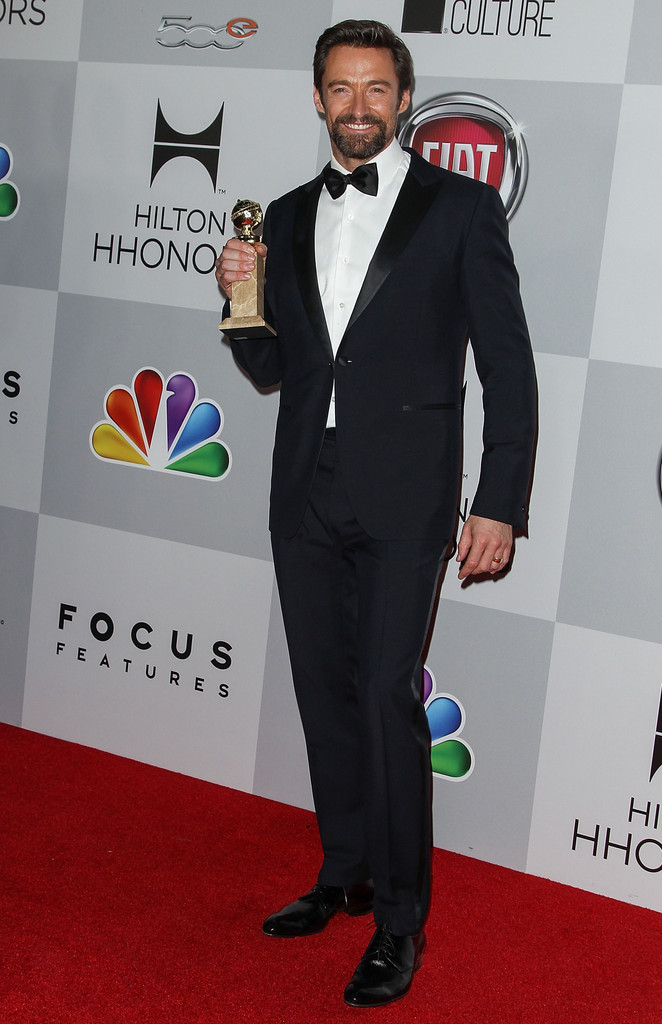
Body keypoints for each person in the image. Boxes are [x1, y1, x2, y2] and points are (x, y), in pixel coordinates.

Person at [215, 19, 537, 1008]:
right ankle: (345, 871)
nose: (358, 106)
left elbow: (507, 366)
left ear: (401, 98)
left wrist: (498, 503)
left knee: (386, 695)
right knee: (324, 693)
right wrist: (240, 301)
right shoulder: (280, 215)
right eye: (340, 89)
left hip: (406, 497)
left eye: (376, 89)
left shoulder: (461, 208)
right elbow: (272, 367)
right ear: (317, 98)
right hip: (303, 487)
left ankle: (400, 920)